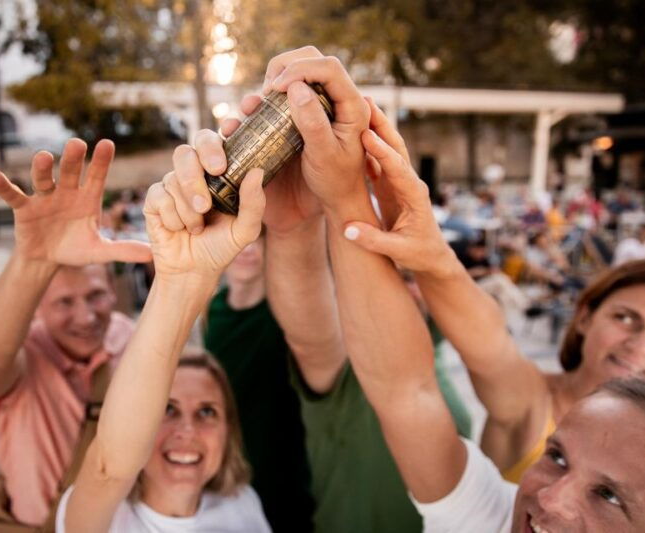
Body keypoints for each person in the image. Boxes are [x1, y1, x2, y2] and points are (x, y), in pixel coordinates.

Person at [165, 46, 470, 532]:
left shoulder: (434, 369)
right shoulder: (361, 367)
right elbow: (314, 338)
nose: (401, 285)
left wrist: (355, 202)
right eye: (387, 270)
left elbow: (489, 355)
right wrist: (293, 226)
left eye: (405, 271)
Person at [331, 120, 645, 532]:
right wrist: (351, 191)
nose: (552, 499)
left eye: (609, 495)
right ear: (584, 316)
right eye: (556, 457)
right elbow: (439, 373)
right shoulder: (497, 505)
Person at [53, 147, 271, 532]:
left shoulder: (243, 506)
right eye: (166, 409)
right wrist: (176, 283)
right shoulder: (102, 518)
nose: (187, 431)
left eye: (208, 412)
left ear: (229, 432)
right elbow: (108, 468)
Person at [0, 139, 153, 529]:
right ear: (38, 308)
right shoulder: (26, 349)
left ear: (112, 290)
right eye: (65, 302)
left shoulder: (128, 336)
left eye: (96, 295)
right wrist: (33, 262)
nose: (86, 316)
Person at [203, 235, 316, 532]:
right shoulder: (213, 310)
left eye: (259, 240)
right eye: (241, 239)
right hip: (228, 464)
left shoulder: (286, 315)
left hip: (281, 461)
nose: (249, 249)